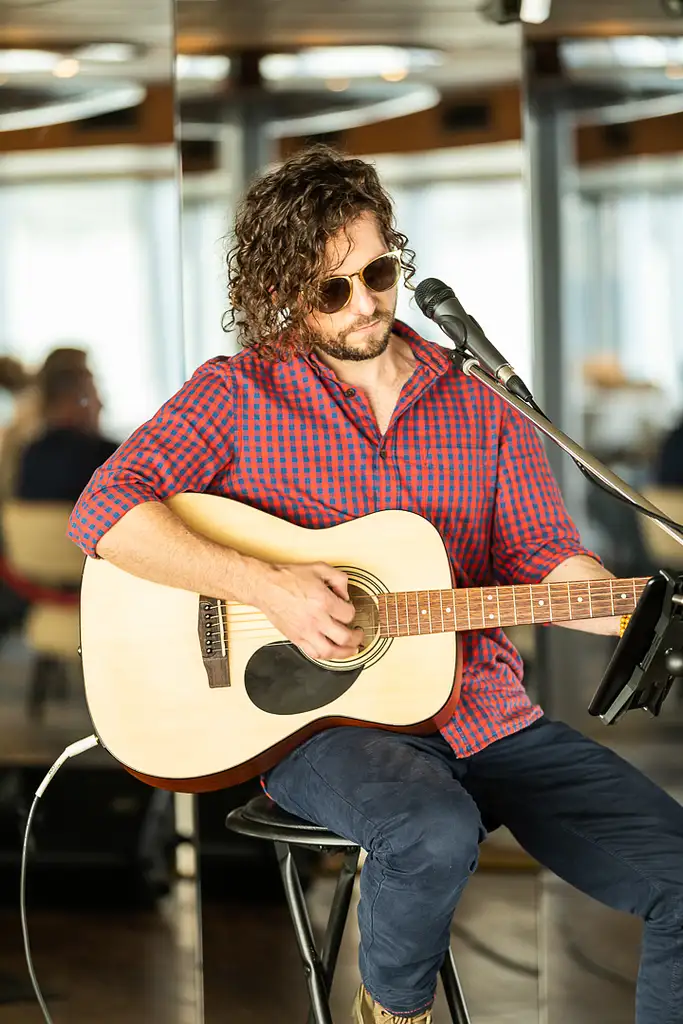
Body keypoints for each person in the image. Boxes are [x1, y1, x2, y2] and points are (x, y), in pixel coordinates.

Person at [67, 145, 683, 1024]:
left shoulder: (478, 398)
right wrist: (267, 584)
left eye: (380, 272)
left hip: (487, 715)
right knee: (431, 829)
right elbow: (103, 510)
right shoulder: (239, 393)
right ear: (282, 289)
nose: (366, 304)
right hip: (326, 729)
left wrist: (635, 608)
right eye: (331, 289)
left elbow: (545, 559)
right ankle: (390, 1014)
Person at [17, 366, 118, 503]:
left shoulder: (28, 454)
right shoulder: (109, 457)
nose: (101, 405)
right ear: (70, 402)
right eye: (92, 396)